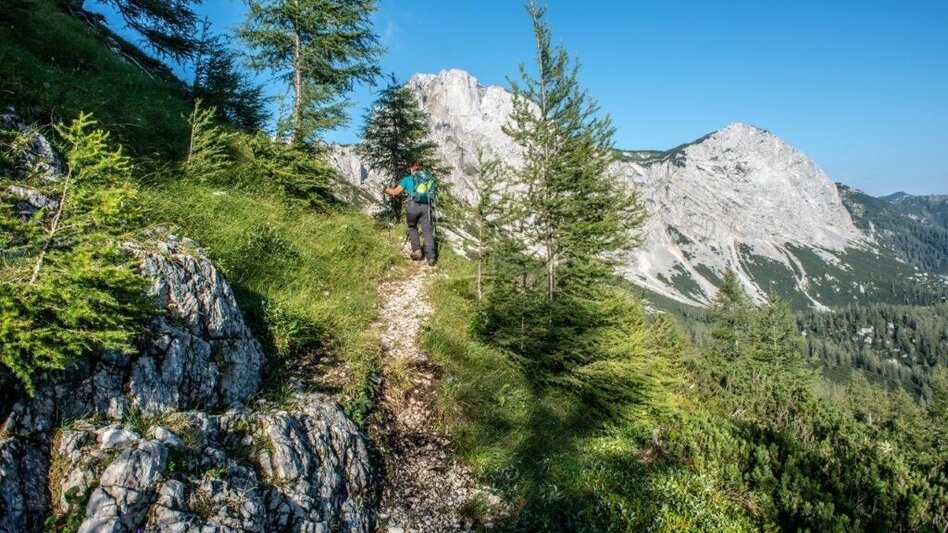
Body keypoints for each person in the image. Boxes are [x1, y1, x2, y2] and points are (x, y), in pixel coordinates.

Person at [385, 162, 437, 265]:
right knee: (427, 231)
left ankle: (417, 251)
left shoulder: (407, 179)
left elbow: (394, 192)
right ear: (422, 169)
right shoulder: (429, 179)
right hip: (426, 207)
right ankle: (431, 257)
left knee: (412, 227)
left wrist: (384, 189)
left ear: (411, 168)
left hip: (413, 206)